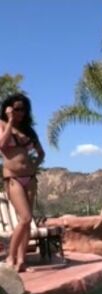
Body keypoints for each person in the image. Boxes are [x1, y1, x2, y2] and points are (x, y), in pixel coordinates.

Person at [0, 93, 45, 272]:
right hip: (13, 178)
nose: (21, 113)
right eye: (17, 109)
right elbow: (2, 145)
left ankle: (21, 261)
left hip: (30, 178)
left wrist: (34, 164)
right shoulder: (3, 124)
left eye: (24, 110)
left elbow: (41, 153)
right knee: (25, 218)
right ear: (9, 109)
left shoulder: (28, 130)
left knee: (26, 221)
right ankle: (11, 257)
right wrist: (10, 121)